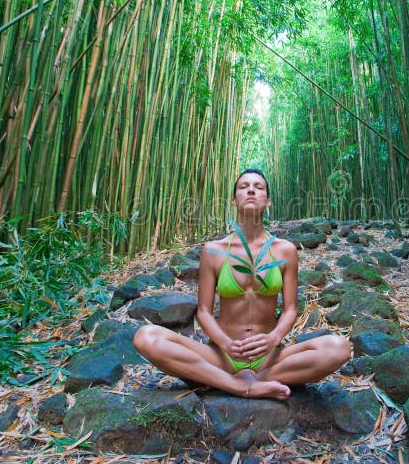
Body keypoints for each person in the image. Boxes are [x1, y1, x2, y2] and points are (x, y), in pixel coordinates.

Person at [133, 168, 351, 400]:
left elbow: (290, 309)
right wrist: (225, 344)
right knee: (146, 337)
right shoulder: (214, 251)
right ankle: (241, 386)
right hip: (222, 355)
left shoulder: (285, 250)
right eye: (243, 186)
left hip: (268, 356)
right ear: (234, 200)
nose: (250, 190)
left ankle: (246, 380)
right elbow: (204, 312)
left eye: (258, 187)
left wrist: (274, 338)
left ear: (267, 202)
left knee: (339, 347)